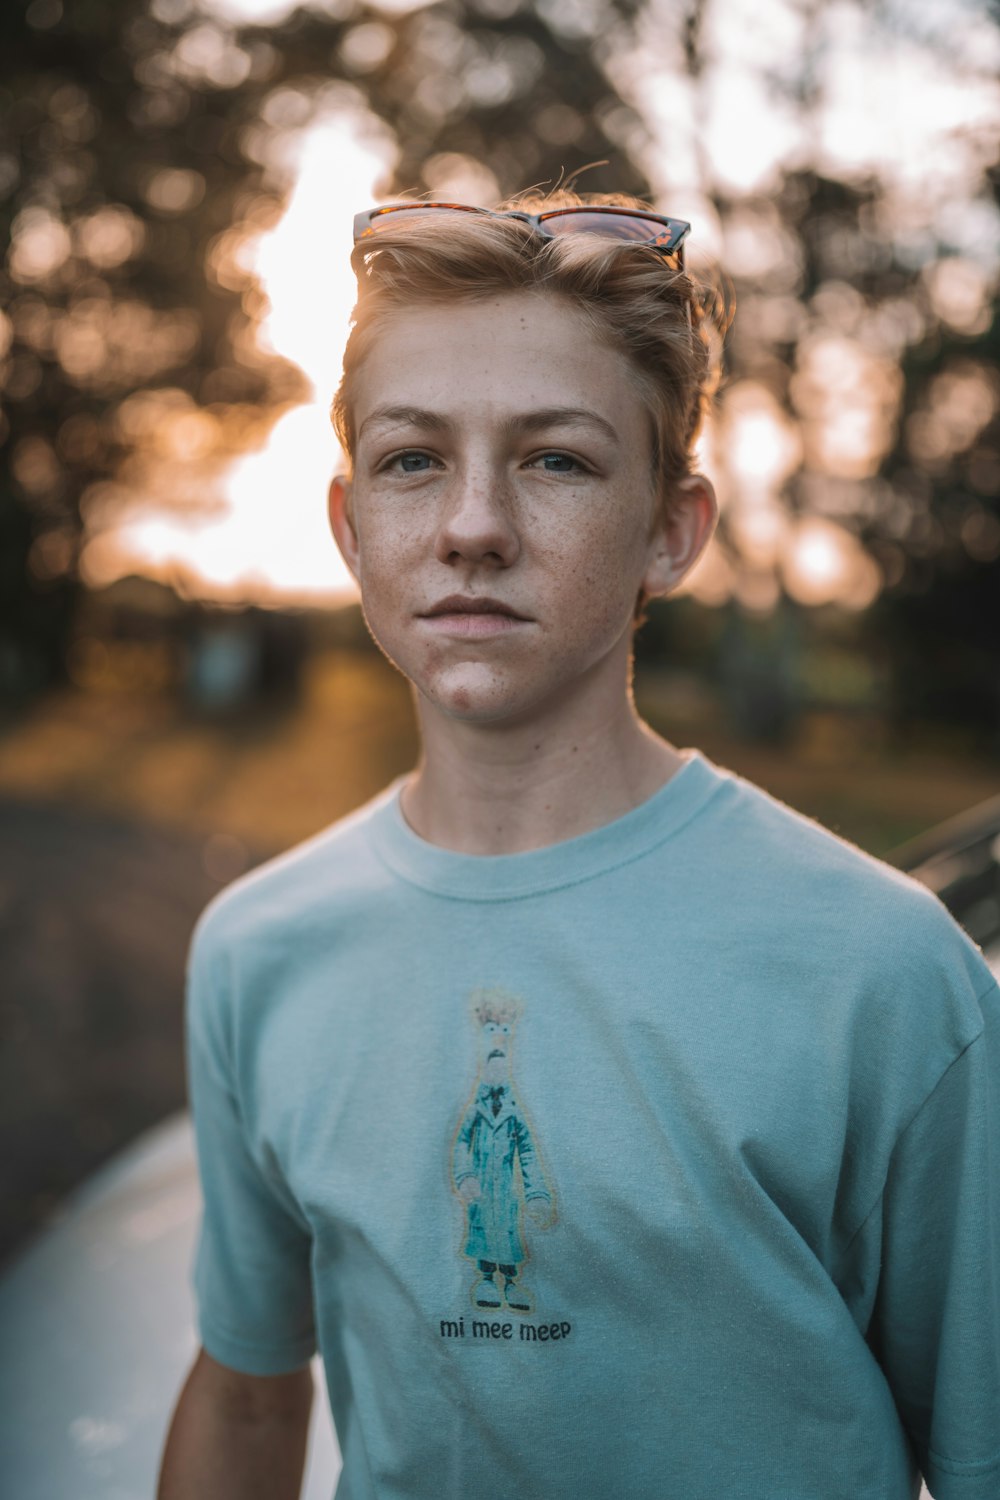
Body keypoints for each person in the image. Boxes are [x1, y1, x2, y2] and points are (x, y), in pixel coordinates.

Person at [158, 193, 999, 1500]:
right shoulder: (259, 950)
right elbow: (250, 1399)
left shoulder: (885, 974)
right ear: (349, 527)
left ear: (672, 527)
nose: (473, 525)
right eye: (412, 459)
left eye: (556, 459)